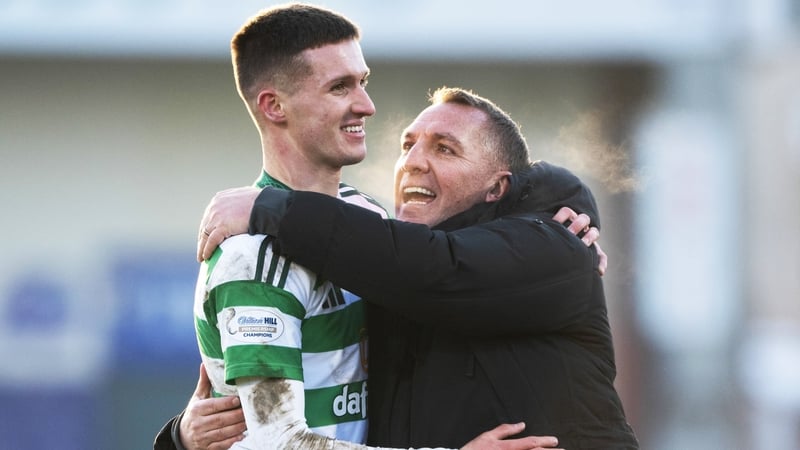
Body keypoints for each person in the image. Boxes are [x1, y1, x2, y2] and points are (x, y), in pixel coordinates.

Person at [155, 4, 566, 450]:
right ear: (275, 106)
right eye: (339, 88)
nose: (366, 106)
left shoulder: (366, 216)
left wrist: (567, 209)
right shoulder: (251, 256)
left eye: (363, 82)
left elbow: (460, 261)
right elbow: (276, 443)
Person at [194, 87, 638, 449]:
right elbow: (306, 397)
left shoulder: (551, 248)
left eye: (445, 149)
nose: (414, 161)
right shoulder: (388, 274)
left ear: (496, 188)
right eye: (408, 145)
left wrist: (273, 207)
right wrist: (185, 435)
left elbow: (437, 269)